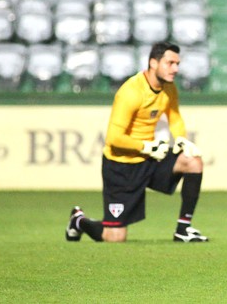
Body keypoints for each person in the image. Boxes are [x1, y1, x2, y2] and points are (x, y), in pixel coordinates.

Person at [65, 42, 208, 243]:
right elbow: (113, 138)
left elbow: (174, 117)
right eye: (170, 63)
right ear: (153, 63)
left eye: (177, 63)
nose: (175, 68)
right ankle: (79, 221)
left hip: (149, 158)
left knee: (193, 161)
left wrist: (182, 138)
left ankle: (183, 229)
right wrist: (146, 146)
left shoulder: (169, 88)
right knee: (114, 237)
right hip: (121, 166)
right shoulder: (131, 92)